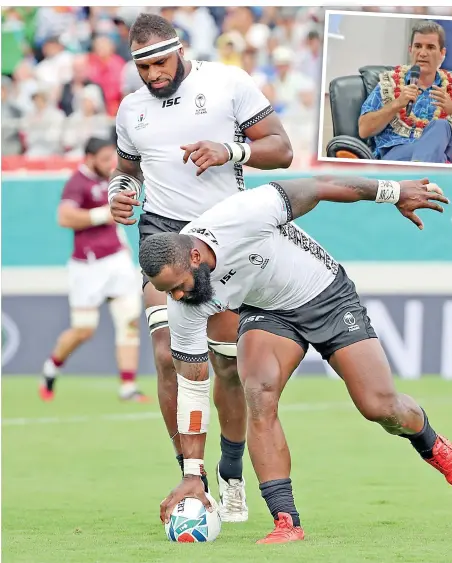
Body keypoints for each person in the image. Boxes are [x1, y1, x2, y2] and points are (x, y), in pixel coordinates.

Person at [142, 176, 452, 544]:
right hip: (267, 310)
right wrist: (193, 472)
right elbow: (193, 387)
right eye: (166, 291)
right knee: (258, 392)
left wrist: (394, 193)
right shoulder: (184, 305)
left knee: (379, 406)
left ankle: (430, 441)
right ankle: (286, 521)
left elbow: (320, 186)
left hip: (326, 295)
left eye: (177, 285)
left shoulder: (244, 215)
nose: (175, 296)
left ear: (195, 256)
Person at [107, 12, 293, 522]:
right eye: (142, 67)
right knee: (168, 355)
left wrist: (230, 150)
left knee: (228, 367)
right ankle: (192, 473)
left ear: (181, 49)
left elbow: (283, 150)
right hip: (163, 236)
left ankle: (232, 474)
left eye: (161, 62)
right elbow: (126, 171)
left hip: (224, 237)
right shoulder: (131, 109)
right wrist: (120, 195)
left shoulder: (228, 82)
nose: (153, 75)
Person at [41, 137, 145, 402]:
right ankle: (51, 367)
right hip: (88, 267)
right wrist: (103, 214)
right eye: (103, 159)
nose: (109, 163)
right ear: (88, 158)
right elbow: (64, 217)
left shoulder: (111, 178)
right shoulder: (77, 182)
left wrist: (122, 242)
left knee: (129, 322)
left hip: (116, 261)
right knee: (84, 330)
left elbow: (116, 216)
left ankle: (127, 388)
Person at [358, 20, 452, 163]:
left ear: (442, 53)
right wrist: (397, 104)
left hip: (439, 155)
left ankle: (418, 177)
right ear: (410, 49)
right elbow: (364, 129)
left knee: (441, 125)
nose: (422, 53)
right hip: (399, 155)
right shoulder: (390, 84)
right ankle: (424, 176)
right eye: (418, 46)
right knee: (437, 158)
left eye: (430, 47)